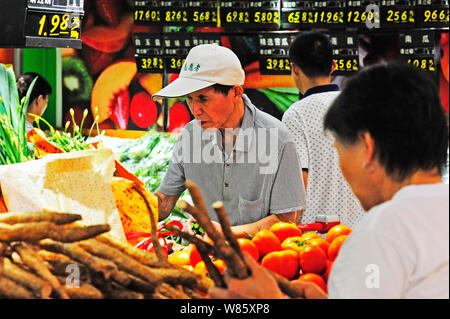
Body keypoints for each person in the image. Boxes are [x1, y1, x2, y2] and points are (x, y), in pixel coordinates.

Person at [210, 63, 449, 299]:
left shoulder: (379, 233)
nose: (344, 169)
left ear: (368, 147)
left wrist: (270, 296)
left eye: (340, 151)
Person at [152, 44, 306, 237]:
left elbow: (287, 220)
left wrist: (227, 234)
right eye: (189, 99)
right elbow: (164, 203)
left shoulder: (278, 140)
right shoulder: (190, 135)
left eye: (203, 98)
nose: (195, 109)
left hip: (259, 259)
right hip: (197, 260)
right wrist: (123, 200)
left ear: (236, 92)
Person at [282, 31, 364, 228]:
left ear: (294, 69)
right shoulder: (359, 107)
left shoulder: (295, 115)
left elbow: (297, 187)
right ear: (333, 67)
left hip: (316, 238)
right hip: (359, 230)